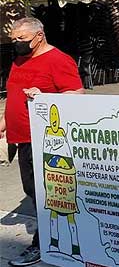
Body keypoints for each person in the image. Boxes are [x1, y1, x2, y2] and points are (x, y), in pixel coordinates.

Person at [2, 18, 84, 267]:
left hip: (44, 140)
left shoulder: (58, 60)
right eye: (13, 39)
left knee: (44, 196)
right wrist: (4, 126)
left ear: (39, 36)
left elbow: (77, 94)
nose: (17, 44)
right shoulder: (20, 60)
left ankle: (43, 244)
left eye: (22, 40)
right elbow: (15, 95)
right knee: (33, 191)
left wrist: (45, 96)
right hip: (21, 139)